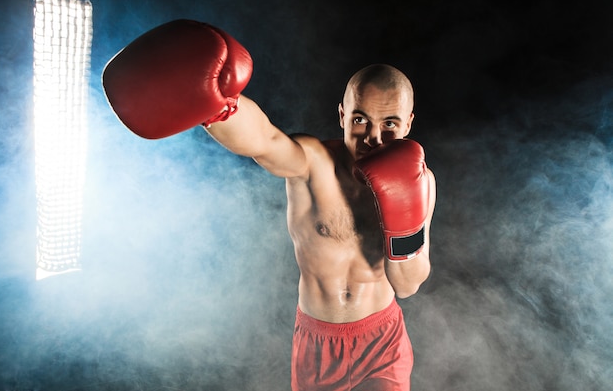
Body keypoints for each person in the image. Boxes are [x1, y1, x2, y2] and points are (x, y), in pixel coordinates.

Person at [102, 19, 436, 391]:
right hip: (318, 344)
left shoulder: (421, 181)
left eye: (390, 124)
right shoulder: (312, 163)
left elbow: (407, 285)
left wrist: (403, 214)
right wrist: (216, 104)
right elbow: (264, 140)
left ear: (408, 122)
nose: (374, 138)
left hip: (381, 340)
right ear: (342, 115)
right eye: (360, 120)